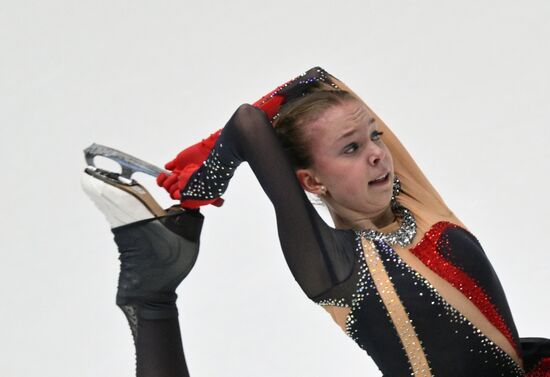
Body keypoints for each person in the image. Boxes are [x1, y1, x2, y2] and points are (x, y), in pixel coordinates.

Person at [85, 67, 550, 376]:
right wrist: (203, 181)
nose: (375, 154)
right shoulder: (338, 267)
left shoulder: (420, 207)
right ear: (311, 182)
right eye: (350, 148)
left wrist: (205, 169)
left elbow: (318, 80)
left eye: (374, 136)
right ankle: (152, 300)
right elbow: (249, 125)